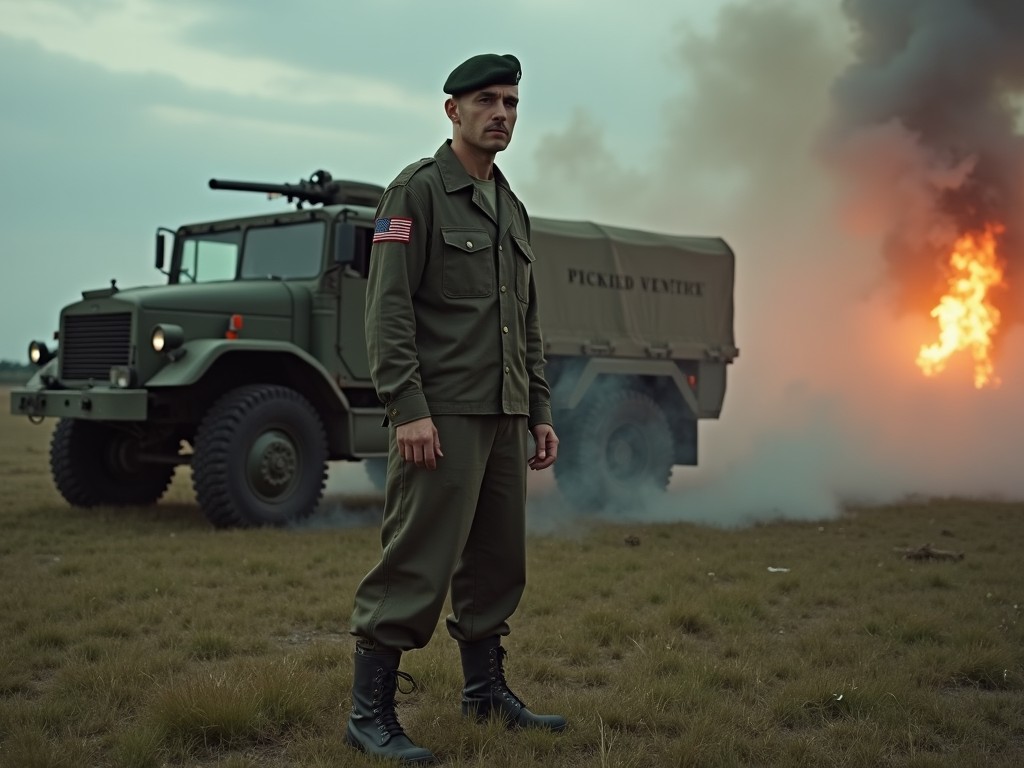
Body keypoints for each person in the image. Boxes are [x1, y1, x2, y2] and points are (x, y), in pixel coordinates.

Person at [345, 53, 565, 763]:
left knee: (498, 565)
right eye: (486, 101)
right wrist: (407, 406)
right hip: (440, 417)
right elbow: (387, 312)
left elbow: (525, 320)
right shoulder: (415, 193)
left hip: (503, 415)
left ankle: (484, 695)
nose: (501, 114)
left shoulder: (509, 203)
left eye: (511, 102)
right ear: (453, 111)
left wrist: (539, 409)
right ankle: (368, 714)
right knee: (417, 562)